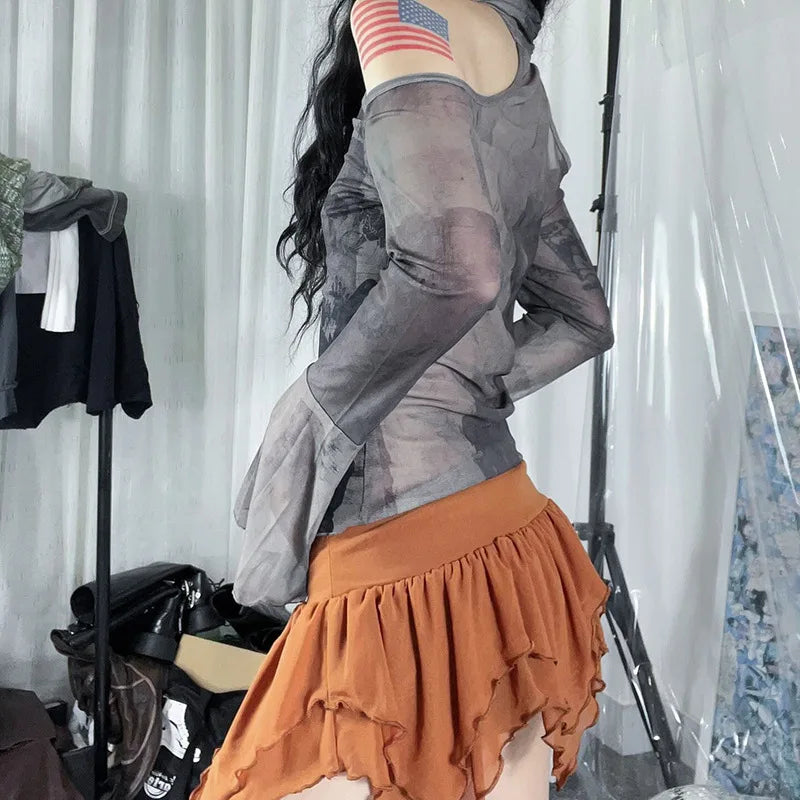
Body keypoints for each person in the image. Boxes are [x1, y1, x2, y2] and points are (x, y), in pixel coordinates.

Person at [190, 0, 615, 798]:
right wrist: (471, 383)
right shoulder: (516, 68)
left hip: (397, 553)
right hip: (514, 538)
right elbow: (583, 317)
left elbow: (456, 267)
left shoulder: (401, 11)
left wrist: (316, 409)